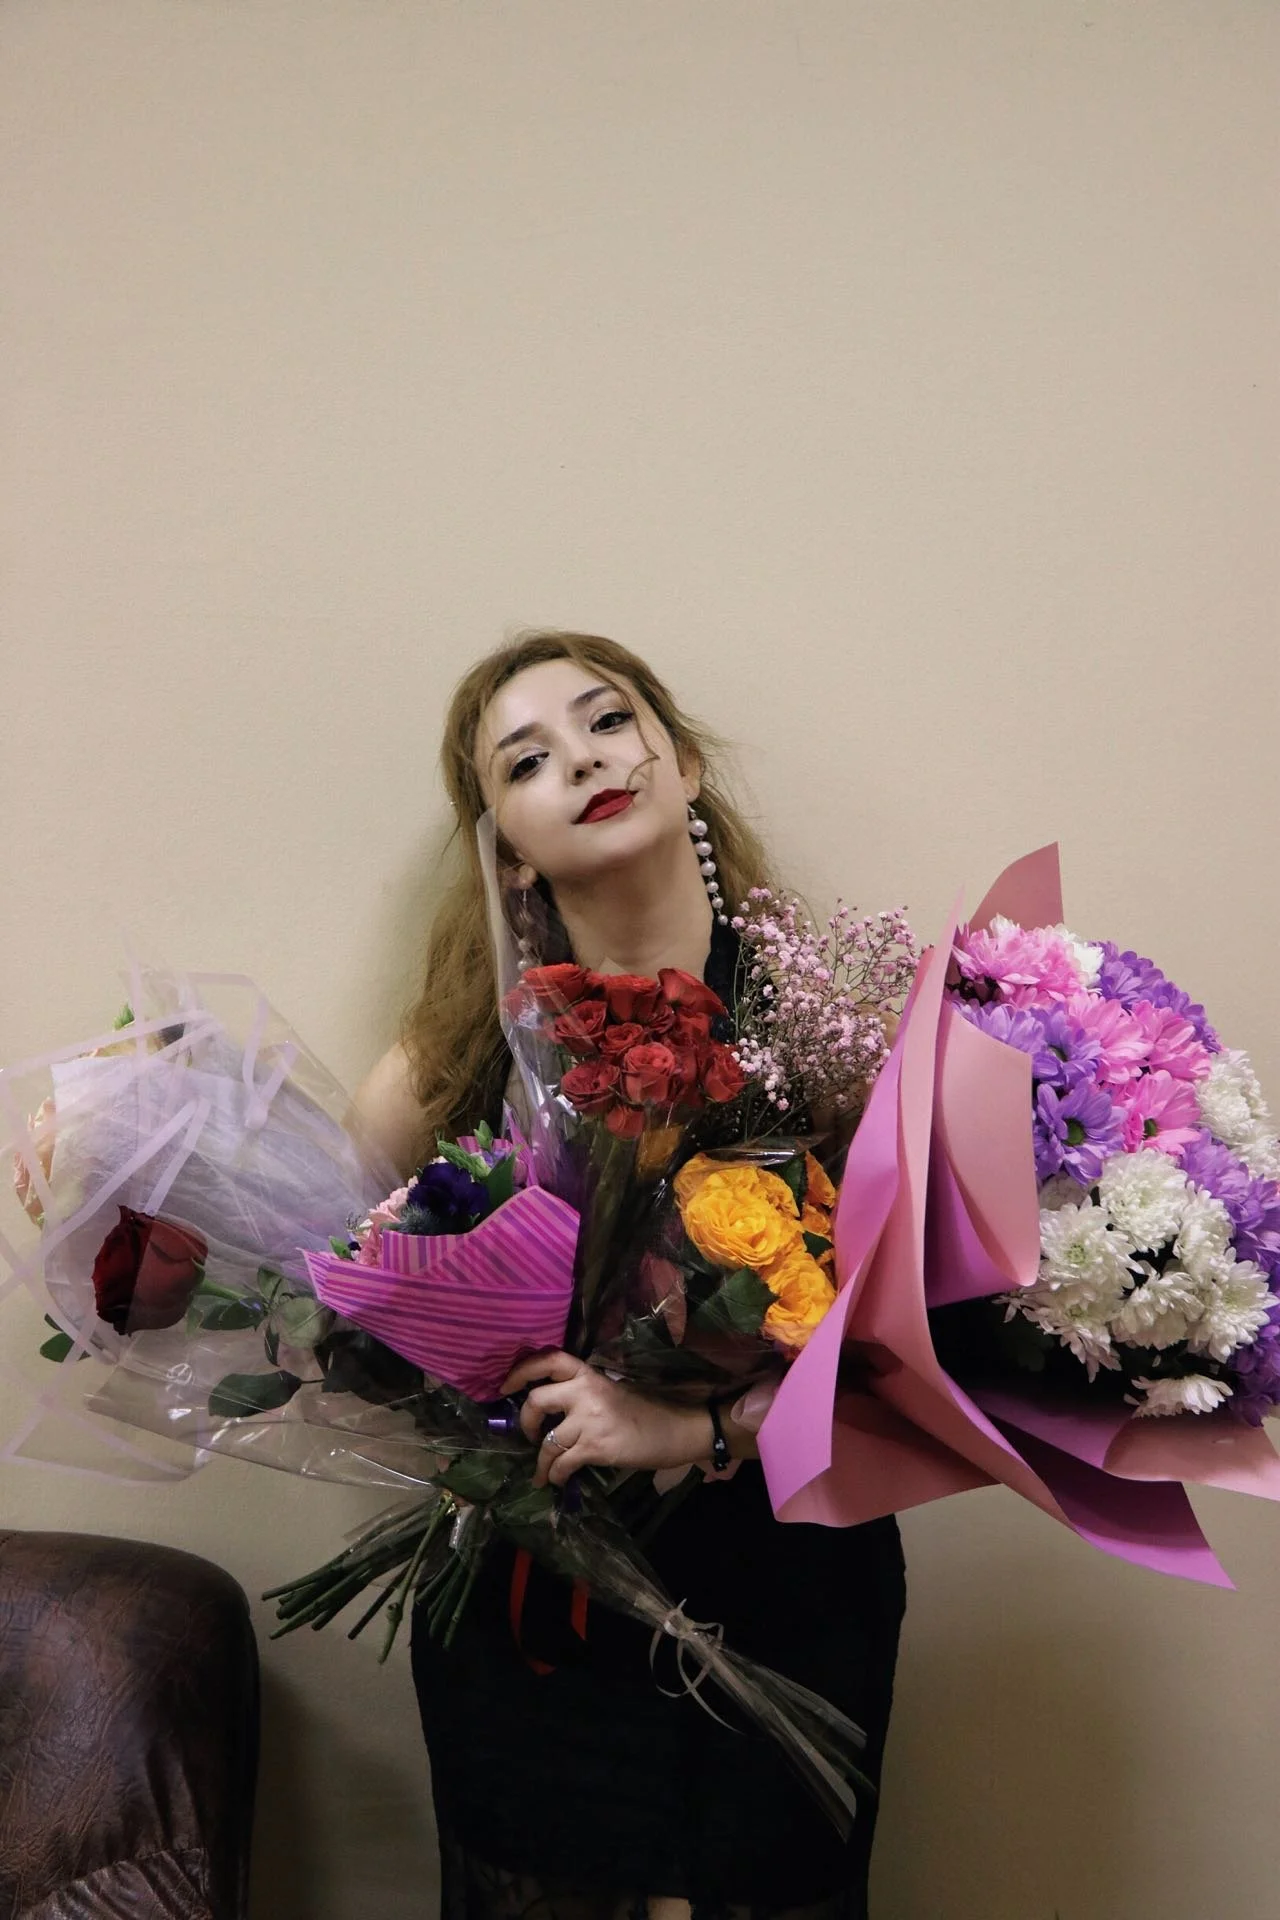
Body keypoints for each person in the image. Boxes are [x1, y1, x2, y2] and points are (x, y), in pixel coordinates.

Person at [354, 630, 906, 1920]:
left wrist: (694, 1423)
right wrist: (139, 1189)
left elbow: (925, 1354)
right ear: (506, 844)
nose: (584, 761)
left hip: (789, 1586)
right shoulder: (452, 1064)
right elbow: (325, 1293)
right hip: (532, 1601)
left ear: (686, 761)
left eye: (609, 722)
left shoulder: (839, 1036)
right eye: (527, 760)